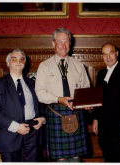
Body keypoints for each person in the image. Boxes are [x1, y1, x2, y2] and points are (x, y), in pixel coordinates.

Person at [35, 28, 90, 162]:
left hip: (76, 112)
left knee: (76, 158)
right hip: (55, 113)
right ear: (53, 43)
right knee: (61, 159)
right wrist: (58, 99)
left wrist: (88, 104)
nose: (63, 45)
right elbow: (40, 93)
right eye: (60, 42)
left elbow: (86, 91)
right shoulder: (44, 66)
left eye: (66, 42)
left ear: (70, 44)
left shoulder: (79, 65)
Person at [0, 49, 45, 162]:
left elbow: (40, 104)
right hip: (10, 136)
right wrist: (16, 127)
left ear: (25, 63)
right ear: (8, 63)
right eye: (14, 59)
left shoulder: (32, 83)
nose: (18, 61)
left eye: (21, 59)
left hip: (32, 133)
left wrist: (43, 118)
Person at [92, 43, 120, 162]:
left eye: (110, 53)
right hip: (104, 126)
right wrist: (95, 118)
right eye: (104, 54)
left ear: (117, 53)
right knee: (108, 156)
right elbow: (97, 98)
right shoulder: (100, 74)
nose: (108, 57)